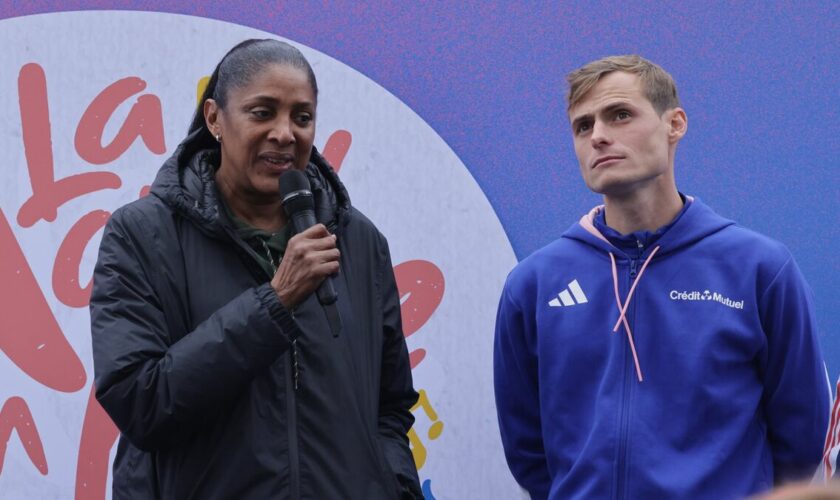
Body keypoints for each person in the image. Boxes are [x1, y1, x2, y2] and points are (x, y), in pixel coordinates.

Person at [90, 39, 422, 499]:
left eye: (301, 117)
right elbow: (141, 401)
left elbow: (391, 405)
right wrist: (275, 301)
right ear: (214, 119)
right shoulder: (142, 235)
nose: (285, 134)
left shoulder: (359, 240)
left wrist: (391, 485)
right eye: (263, 112)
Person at [493, 55, 829, 499]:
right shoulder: (533, 285)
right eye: (582, 125)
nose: (598, 136)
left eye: (620, 115)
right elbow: (529, 453)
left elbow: (803, 441)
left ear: (675, 124)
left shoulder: (758, 269)